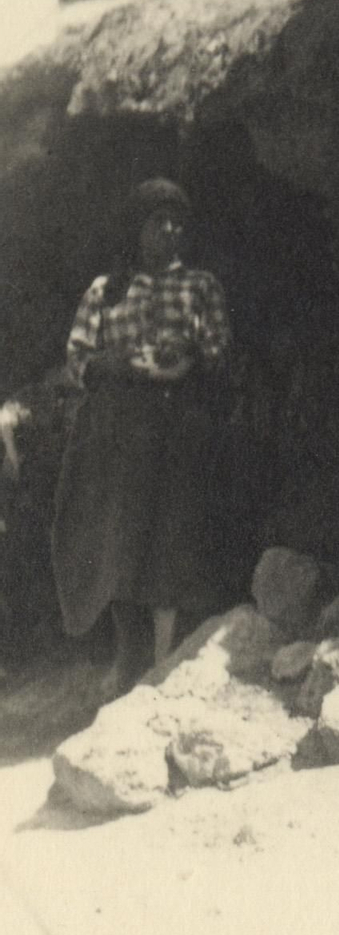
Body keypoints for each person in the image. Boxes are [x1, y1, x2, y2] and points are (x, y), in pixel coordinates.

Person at [51, 178, 231, 698]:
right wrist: (119, 362)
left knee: (171, 535)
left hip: (177, 424)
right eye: (159, 222)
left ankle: (167, 658)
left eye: (178, 222)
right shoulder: (107, 289)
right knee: (115, 535)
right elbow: (78, 357)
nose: (170, 232)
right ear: (138, 229)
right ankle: (127, 656)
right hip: (114, 431)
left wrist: (187, 354)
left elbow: (218, 349)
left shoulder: (200, 286)